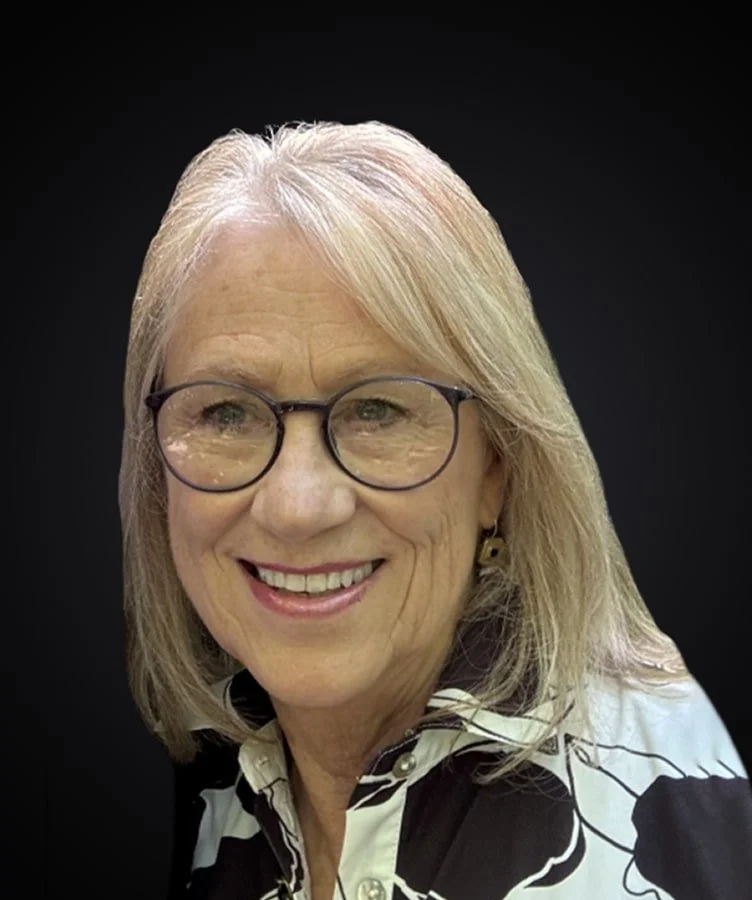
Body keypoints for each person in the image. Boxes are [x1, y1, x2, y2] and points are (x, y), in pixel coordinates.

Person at [118, 121, 751, 900]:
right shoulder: (220, 770)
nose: (296, 506)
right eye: (226, 414)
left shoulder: (661, 824)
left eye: (379, 410)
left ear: (500, 464)